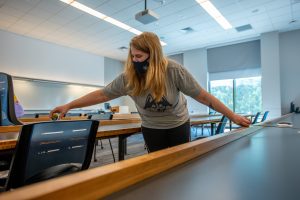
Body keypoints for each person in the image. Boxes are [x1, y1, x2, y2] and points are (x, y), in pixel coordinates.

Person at [50, 32, 251, 152]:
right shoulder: (128, 77)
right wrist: (69, 105)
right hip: (151, 127)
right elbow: (102, 95)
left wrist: (232, 116)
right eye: (132, 56)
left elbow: (204, 97)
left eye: (139, 56)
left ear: (152, 55)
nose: (135, 60)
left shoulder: (173, 71)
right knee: (157, 166)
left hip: (178, 125)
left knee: (179, 166)